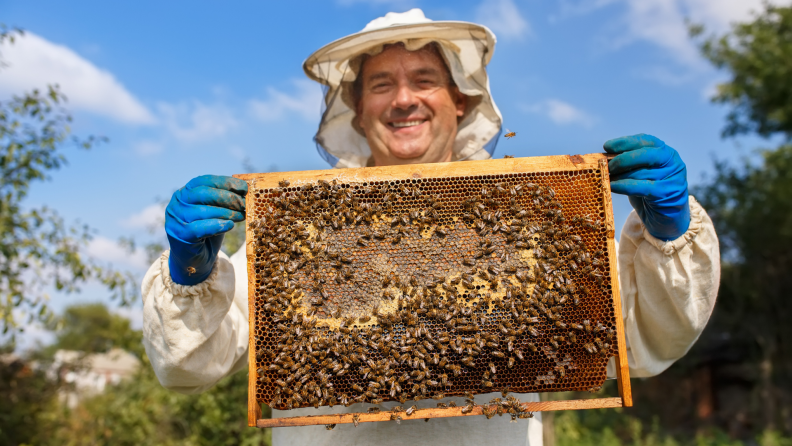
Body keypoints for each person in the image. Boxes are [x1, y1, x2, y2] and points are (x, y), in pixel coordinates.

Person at [142, 9, 720, 446]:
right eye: (380, 84)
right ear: (357, 108)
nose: (403, 100)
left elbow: (644, 341)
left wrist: (668, 240)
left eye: (424, 78)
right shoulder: (304, 233)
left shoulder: (525, 222)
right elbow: (187, 367)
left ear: (461, 101)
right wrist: (190, 277)